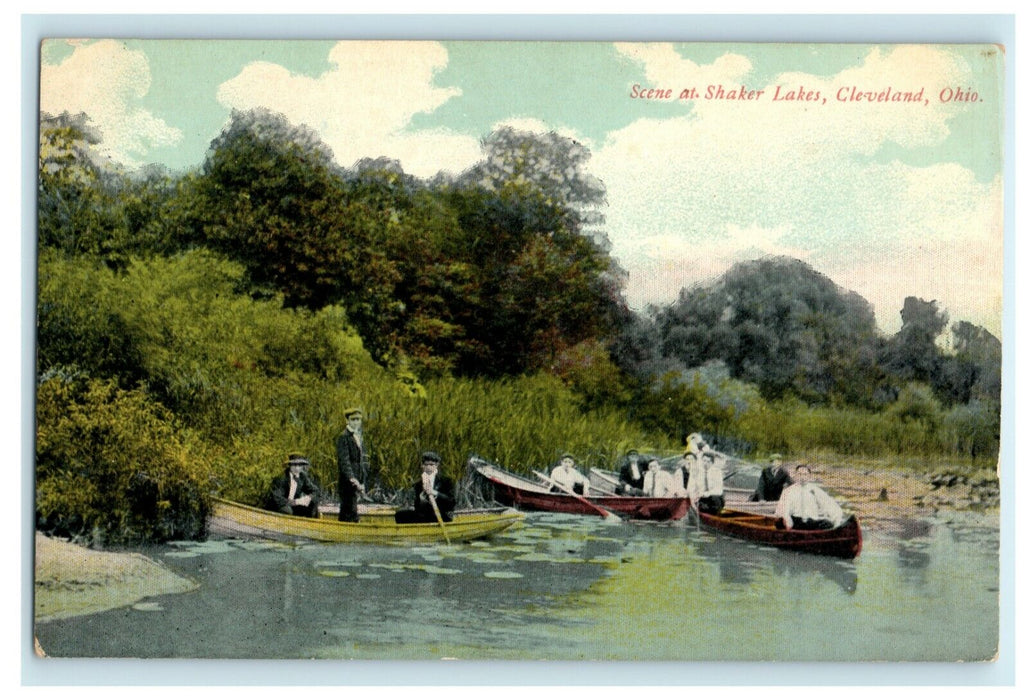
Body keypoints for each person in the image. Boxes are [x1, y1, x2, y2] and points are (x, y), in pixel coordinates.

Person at [775, 464, 846, 530]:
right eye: (799, 474)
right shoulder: (788, 491)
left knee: (828, 524)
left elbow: (830, 505)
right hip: (795, 522)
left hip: (811, 522)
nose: (802, 477)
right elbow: (783, 510)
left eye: (805, 474)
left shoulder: (815, 490)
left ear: (809, 476)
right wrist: (787, 521)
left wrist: (836, 521)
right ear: (795, 475)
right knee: (780, 522)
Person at [395, 451, 456, 524]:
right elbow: (417, 507)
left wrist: (435, 493)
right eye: (426, 465)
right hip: (425, 515)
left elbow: (451, 502)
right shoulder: (418, 483)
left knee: (432, 515)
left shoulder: (445, 481)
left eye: (431, 464)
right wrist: (421, 500)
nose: (428, 467)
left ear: (437, 465)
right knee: (400, 514)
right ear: (422, 466)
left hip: (440, 514)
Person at [335, 407, 369, 522]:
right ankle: (348, 535)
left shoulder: (358, 436)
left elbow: (361, 461)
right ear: (347, 421)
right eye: (353, 419)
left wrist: (362, 481)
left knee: (348, 510)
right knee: (349, 509)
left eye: (358, 419)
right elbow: (344, 461)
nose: (356, 422)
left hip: (357, 479)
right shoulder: (344, 436)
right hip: (347, 481)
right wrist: (353, 479)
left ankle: (343, 534)